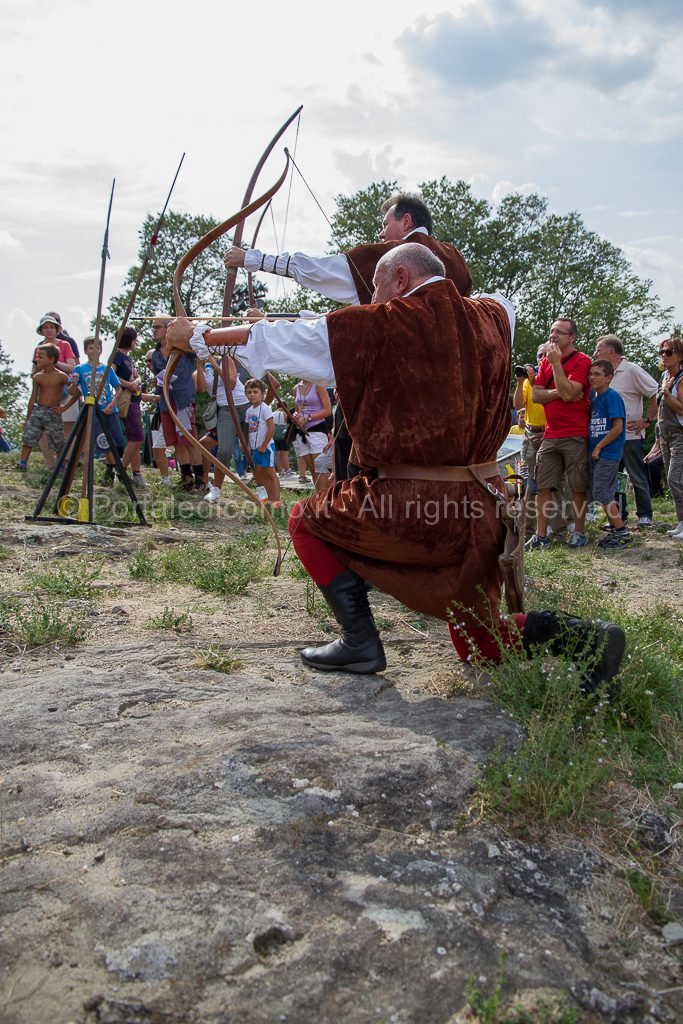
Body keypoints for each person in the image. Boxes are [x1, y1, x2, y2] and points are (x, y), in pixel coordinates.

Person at [167, 243, 625, 694]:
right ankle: (583, 636)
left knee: (305, 520)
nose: (370, 301)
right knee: (479, 645)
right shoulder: (496, 315)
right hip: (483, 510)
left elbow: (271, 339)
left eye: (377, 288)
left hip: (412, 509)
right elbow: (470, 296)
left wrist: (196, 336)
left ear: (400, 279)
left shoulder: (377, 327)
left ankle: (359, 641)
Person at [223, 191, 473, 306]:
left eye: (386, 224)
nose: (381, 233)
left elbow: (319, 271)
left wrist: (251, 259)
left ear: (406, 221)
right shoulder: (456, 259)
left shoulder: (392, 256)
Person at [526, 319, 592, 551]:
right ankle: (541, 535)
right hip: (550, 434)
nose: (553, 335)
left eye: (559, 332)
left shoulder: (583, 361)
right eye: (551, 330)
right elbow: (536, 396)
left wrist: (555, 366)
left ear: (572, 337)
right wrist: (561, 392)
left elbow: (569, 392)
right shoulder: (545, 362)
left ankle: (579, 532)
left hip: (574, 433)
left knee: (577, 486)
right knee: (542, 486)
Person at [593, 335, 658, 528]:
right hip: (609, 437)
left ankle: (645, 515)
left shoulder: (631, 370)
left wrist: (647, 420)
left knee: (636, 475)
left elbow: (655, 391)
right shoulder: (602, 373)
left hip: (629, 435)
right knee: (614, 478)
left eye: (599, 349)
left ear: (611, 351)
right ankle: (619, 516)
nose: (595, 353)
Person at [513, 344, 567, 537]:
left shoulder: (556, 379)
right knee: (529, 484)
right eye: (539, 355)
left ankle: (559, 528)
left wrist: (537, 381)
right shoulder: (528, 381)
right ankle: (528, 529)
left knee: (552, 483)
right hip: (529, 434)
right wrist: (521, 383)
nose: (541, 358)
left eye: (545, 355)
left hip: (550, 434)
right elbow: (518, 404)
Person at [64, 336, 125, 483]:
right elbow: (72, 392)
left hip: (110, 409)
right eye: (91, 348)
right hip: (94, 410)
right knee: (104, 441)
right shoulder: (80, 369)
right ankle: (119, 472)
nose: (94, 351)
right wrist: (72, 384)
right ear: (85, 351)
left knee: (118, 442)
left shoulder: (107, 368)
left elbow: (118, 389)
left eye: (97, 348)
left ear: (101, 350)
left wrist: (113, 404)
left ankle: (110, 472)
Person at [587, 360, 631, 548]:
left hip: (608, 454)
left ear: (608, 378)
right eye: (591, 374)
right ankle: (615, 527)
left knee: (601, 492)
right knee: (603, 492)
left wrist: (599, 447)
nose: (592, 377)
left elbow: (617, 428)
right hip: (598, 454)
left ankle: (622, 532)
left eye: (597, 374)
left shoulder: (612, 397)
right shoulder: (595, 400)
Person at [197, 352, 250, 504]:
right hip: (225, 409)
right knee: (224, 451)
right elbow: (200, 388)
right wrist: (200, 366)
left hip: (243, 404)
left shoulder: (224, 359)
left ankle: (263, 489)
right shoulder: (199, 370)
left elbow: (232, 383)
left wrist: (215, 365)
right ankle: (216, 489)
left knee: (253, 447)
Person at [17, 344, 69, 470]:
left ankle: (61, 465)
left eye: (40, 357)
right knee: (29, 436)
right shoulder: (38, 377)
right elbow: (33, 398)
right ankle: (22, 463)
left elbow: (74, 391)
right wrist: (27, 418)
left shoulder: (62, 376)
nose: (37, 360)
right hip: (39, 410)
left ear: (51, 359)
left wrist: (64, 407)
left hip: (53, 411)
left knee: (57, 440)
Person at [655, 336, 683, 540]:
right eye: (662, 352)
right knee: (673, 480)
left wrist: (667, 393)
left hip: (679, 435)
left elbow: (681, 409)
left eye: (669, 352)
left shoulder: (680, 379)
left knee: (676, 478)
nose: (664, 356)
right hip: (664, 435)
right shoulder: (664, 376)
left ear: (680, 355)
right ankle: (681, 522)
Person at [113, 326, 146, 488]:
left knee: (135, 439)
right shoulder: (117, 356)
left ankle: (136, 472)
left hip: (135, 401)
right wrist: (129, 384)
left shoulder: (128, 358)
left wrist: (136, 382)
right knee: (138, 437)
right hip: (127, 401)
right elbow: (111, 375)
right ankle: (121, 470)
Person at [244, 378, 281, 507]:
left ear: (262, 393)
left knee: (271, 473)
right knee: (259, 473)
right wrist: (248, 446)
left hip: (266, 447)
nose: (252, 395)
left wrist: (264, 445)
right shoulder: (249, 411)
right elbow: (250, 430)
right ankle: (267, 498)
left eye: (255, 392)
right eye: (249, 392)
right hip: (255, 448)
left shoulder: (265, 408)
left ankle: (276, 500)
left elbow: (271, 428)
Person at [291, 379, 332, 491]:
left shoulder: (318, 384)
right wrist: (295, 416)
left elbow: (328, 410)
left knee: (321, 469)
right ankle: (318, 499)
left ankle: (326, 501)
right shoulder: (296, 388)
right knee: (313, 470)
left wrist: (309, 417)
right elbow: (298, 409)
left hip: (317, 431)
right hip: (301, 432)